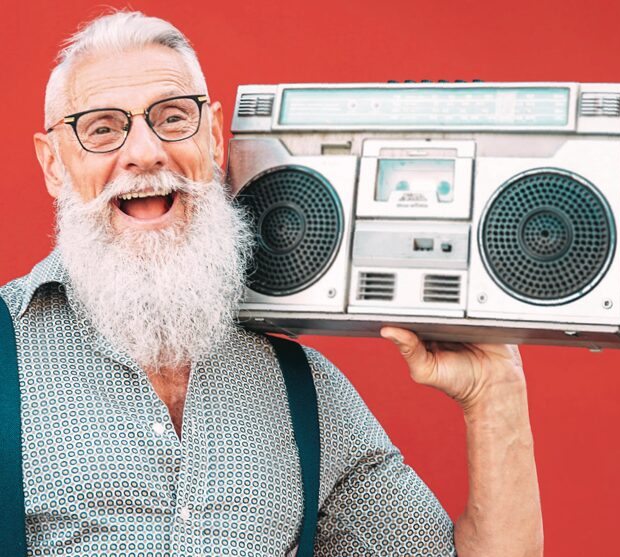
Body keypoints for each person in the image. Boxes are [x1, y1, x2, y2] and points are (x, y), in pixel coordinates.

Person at [0, 10, 543, 557]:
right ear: (52, 164)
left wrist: (493, 392)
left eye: (172, 119)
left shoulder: (302, 391)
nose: (145, 152)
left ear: (213, 139)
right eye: (103, 129)